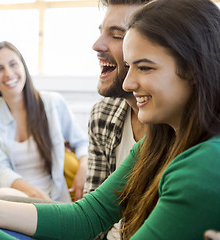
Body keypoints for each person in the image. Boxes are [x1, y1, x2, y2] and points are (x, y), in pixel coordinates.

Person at [0, 0, 220, 239]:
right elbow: (87, 216)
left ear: (194, 70)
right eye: (129, 67)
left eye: (144, 68)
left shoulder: (203, 168)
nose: (128, 83)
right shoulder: (161, 140)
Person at [0, 41, 88, 202]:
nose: (8, 73)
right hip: (9, 195)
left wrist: (83, 168)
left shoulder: (53, 103)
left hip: (54, 195)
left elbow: (82, 142)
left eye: (13, 64)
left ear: (23, 67)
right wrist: (34, 195)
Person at [84, 0, 151, 238]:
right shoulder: (102, 114)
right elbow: (89, 216)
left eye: (116, 36)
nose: (96, 45)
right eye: (101, 32)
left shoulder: (183, 131)